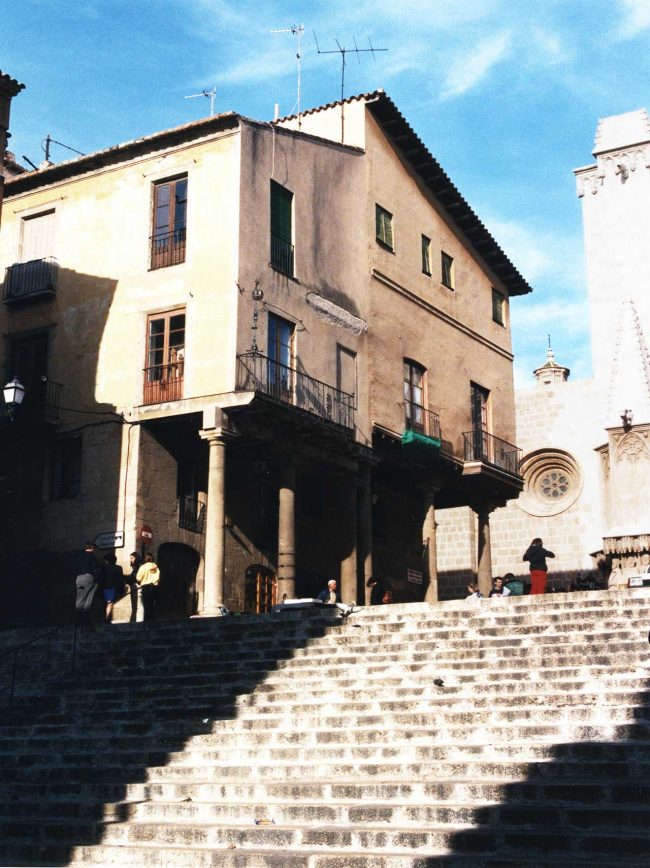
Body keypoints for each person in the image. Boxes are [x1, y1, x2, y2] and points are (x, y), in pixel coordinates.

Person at [75, 541, 100, 625]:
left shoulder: (79, 557)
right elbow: (96, 569)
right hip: (88, 577)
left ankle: (78, 619)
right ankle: (86, 620)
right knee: (88, 599)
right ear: (92, 548)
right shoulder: (93, 557)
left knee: (79, 599)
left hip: (79, 578)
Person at [100, 552, 125, 623]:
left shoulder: (104, 567)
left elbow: (101, 578)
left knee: (107, 604)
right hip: (112, 588)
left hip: (105, 588)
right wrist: (122, 589)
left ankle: (107, 618)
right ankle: (107, 618)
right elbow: (120, 579)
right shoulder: (118, 568)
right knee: (109, 603)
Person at [136, 553, 160, 621]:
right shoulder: (156, 568)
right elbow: (158, 579)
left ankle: (146, 621)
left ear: (145, 559)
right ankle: (153, 621)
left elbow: (138, 578)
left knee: (146, 605)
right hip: (154, 587)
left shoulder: (143, 567)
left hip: (145, 587)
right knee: (152, 604)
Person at [127, 551, 142, 622]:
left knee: (138, 606)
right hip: (134, 588)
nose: (130, 560)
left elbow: (138, 578)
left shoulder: (139, 567)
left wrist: (130, 578)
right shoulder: (135, 568)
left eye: (132, 558)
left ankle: (137, 622)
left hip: (138, 587)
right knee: (134, 607)